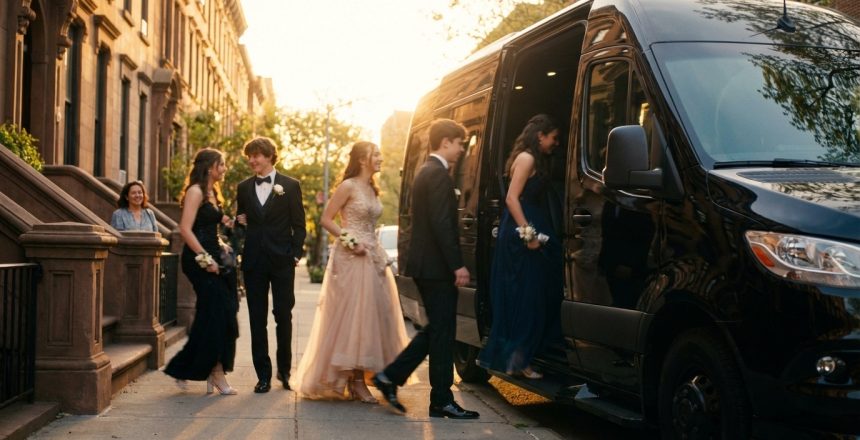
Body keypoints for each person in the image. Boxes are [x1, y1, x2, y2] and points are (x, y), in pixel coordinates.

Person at [372, 119, 479, 419]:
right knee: (443, 332)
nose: (461, 149)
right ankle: (440, 399)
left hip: (425, 265)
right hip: (435, 268)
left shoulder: (425, 171)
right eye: (459, 143)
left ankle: (393, 377)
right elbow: (443, 224)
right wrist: (457, 264)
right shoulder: (438, 175)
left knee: (437, 330)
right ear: (446, 142)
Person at [291, 141, 410, 403]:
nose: (380, 158)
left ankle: (362, 378)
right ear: (363, 159)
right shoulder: (348, 186)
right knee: (355, 318)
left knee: (372, 318)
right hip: (351, 257)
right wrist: (349, 241)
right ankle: (356, 382)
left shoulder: (372, 188)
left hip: (373, 257)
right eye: (376, 154)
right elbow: (326, 219)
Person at [477, 114, 564, 379]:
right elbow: (511, 199)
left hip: (529, 230)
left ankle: (521, 358)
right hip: (521, 236)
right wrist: (528, 234)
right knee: (528, 297)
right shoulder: (526, 159)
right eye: (554, 138)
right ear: (541, 136)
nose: (556, 143)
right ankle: (520, 361)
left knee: (534, 296)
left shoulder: (535, 159)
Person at [164, 148, 239, 395]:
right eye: (222, 164)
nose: (224, 168)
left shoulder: (212, 193)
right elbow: (185, 229)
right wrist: (205, 258)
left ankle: (189, 367)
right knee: (216, 315)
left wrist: (222, 242)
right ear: (210, 167)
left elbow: (207, 227)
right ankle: (215, 372)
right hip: (199, 261)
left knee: (220, 314)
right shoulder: (195, 191)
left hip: (215, 257)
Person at [235, 136, 306, 393]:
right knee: (257, 319)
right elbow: (240, 222)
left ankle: (285, 373)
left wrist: (295, 254)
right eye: (250, 156)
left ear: (269, 156)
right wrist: (240, 224)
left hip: (282, 262)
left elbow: (299, 225)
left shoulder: (290, 185)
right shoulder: (243, 187)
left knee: (283, 316)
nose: (252, 160)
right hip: (254, 262)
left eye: (257, 155)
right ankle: (262, 375)